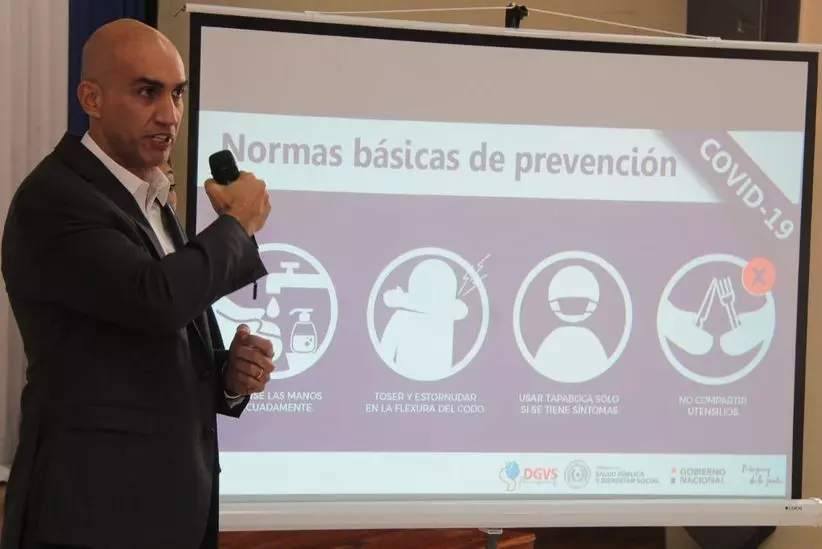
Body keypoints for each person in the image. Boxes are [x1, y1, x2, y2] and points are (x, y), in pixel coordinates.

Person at [0, 19, 274, 549]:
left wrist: (227, 375)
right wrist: (237, 225)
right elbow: (155, 299)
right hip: (92, 518)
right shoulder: (55, 198)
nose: (169, 115)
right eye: (148, 92)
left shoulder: (148, 200)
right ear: (92, 98)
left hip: (165, 512)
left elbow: (144, 340)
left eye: (177, 94)